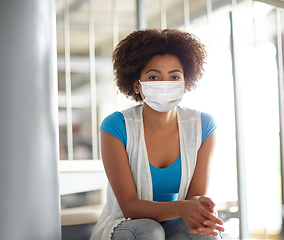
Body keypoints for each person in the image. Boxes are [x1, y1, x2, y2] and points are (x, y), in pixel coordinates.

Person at [90, 28, 224, 240]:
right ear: (137, 85)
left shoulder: (203, 126)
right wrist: (182, 208)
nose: (164, 84)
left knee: (205, 235)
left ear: (185, 83)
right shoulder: (115, 126)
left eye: (174, 77)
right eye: (154, 77)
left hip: (175, 227)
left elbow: (194, 197)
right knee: (149, 232)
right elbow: (129, 207)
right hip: (130, 227)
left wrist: (201, 207)